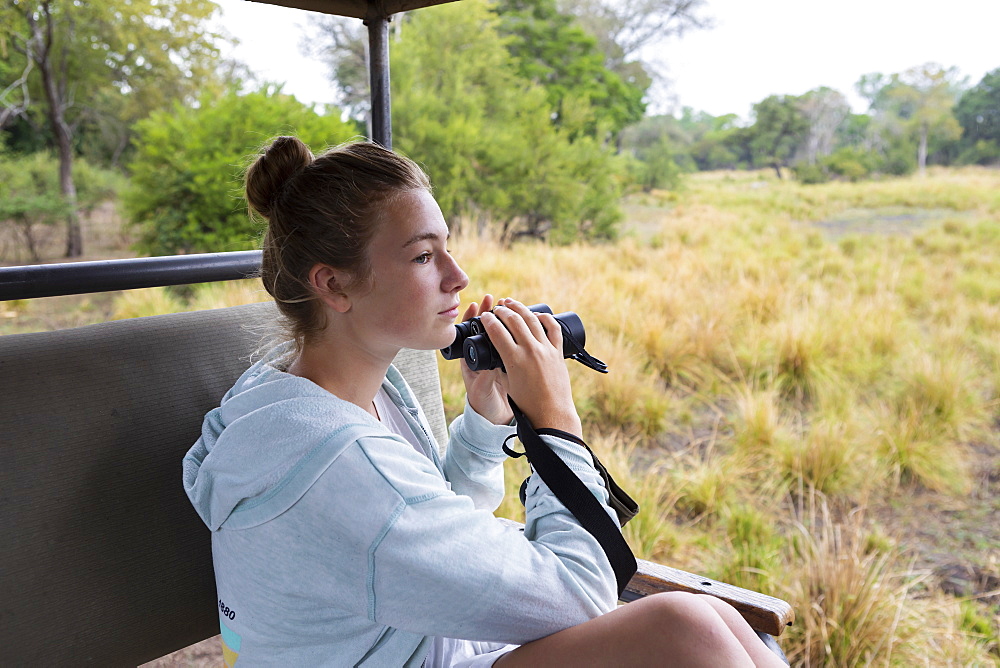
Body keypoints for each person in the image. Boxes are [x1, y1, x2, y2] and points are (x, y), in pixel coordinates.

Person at [182, 136, 785, 667]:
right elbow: (580, 591)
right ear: (333, 283)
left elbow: (421, 527)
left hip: (416, 643)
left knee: (716, 622)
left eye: (448, 247)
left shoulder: (309, 395)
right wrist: (555, 423)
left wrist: (485, 417)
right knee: (687, 627)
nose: (458, 275)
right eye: (423, 256)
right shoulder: (333, 461)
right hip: (417, 650)